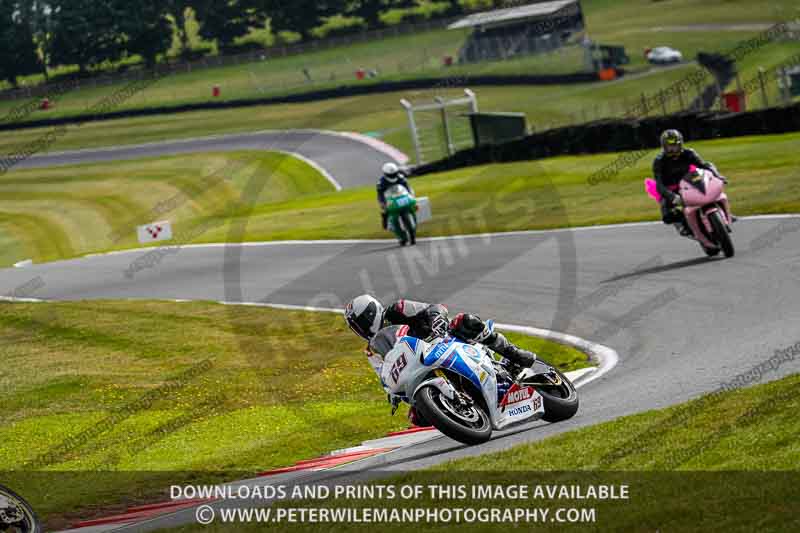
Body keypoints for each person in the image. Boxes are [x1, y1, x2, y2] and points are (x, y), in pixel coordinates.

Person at [344, 295, 537, 426]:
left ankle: (514, 353)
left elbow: (435, 308)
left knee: (465, 321)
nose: (361, 329)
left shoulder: (397, 309)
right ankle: (464, 407)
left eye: (361, 323)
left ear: (371, 313)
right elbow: (384, 375)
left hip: (443, 340)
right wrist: (393, 394)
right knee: (417, 417)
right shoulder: (372, 351)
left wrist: (436, 320)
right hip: (419, 369)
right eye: (356, 327)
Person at [652, 129, 726, 235]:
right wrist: (672, 196)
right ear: (664, 146)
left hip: (691, 182)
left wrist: (717, 175)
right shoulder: (659, 161)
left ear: (681, 144)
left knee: (712, 191)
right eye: (670, 147)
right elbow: (659, 184)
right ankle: (683, 223)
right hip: (672, 189)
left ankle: (723, 213)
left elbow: (704, 165)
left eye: (675, 145)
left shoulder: (689, 153)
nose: (673, 149)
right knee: (667, 216)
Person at [377, 162, 413, 230]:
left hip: (401, 194)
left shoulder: (400, 177)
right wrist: (383, 203)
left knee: (413, 203)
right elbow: (380, 194)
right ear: (385, 174)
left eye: (394, 174)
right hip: (389, 197)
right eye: (390, 175)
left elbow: (407, 187)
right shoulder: (381, 182)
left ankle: (412, 216)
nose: (392, 176)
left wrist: (411, 194)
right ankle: (385, 222)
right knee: (385, 210)